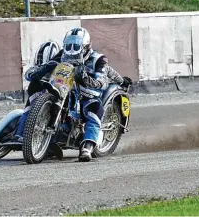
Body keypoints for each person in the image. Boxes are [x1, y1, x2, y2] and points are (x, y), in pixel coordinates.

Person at [9, 28, 132, 162]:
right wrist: (38, 71)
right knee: (36, 94)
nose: (71, 51)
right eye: (68, 47)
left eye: (76, 47)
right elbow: (48, 64)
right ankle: (22, 134)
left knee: (94, 110)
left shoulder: (99, 59)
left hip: (88, 95)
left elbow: (102, 81)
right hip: (65, 89)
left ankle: (88, 145)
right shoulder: (62, 54)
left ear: (86, 47)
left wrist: (85, 79)